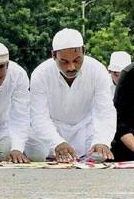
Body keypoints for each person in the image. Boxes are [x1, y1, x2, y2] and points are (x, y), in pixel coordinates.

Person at [27, 28, 116, 162]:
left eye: (77, 60)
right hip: (51, 129)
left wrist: (102, 141)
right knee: (36, 154)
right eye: (64, 62)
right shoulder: (40, 74)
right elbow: (39, 116)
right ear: (53, 56)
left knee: (99, 156)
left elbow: (105, 112)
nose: (71, 67)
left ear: (84, 51)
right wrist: (56, 142)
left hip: (85, 130)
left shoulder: (98, 70)